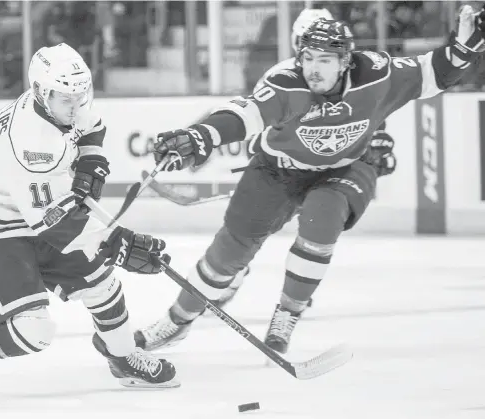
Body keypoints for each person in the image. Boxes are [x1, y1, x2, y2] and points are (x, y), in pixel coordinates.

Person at [134, 5, 485, 354]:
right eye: (309, 57)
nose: (313, 69)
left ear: (346, 61)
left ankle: (287, 313)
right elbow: (245, 114)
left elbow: (432, 73)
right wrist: (202, 136)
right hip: (278, 171)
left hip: (344, 168)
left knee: (322, 217)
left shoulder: (377, 74)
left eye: (325, 60)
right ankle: (177, 321)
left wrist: (462, 49)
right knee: (227, 254)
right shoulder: (286, 80)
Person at [0, 43, 179, 399]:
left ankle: (123, 358)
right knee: (33, 331)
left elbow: (91, 130)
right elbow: (56, 226)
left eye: (80, 96)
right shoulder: (30, 143)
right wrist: (118, 244)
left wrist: (90, 161)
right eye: (66, 99)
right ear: (42, 93)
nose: (75, 106)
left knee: (101, 283)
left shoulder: (67, 101)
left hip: (36, 213)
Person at [209, 8, 397, 314]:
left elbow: (371, 120)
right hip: (292, 169)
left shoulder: (352, 75)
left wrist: (377, 150)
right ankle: (236, 271)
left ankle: (295, 289)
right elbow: (260, 126)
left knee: (318, 221)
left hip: (329, 171)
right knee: (254, 228)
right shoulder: (285, 77)